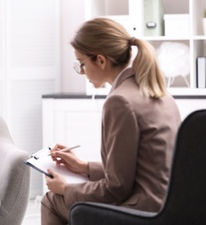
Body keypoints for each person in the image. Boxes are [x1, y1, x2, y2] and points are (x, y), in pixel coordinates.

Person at [41, 18, 181, 224]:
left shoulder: (120, 101)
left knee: (51, 200)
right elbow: (139, 170)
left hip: (141, 210)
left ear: (101, 60)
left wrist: (66, 188)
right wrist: (85, 167)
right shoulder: (157, 91)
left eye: (81, 63)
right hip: (167, 204)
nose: (82, 72)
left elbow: (116, 188)